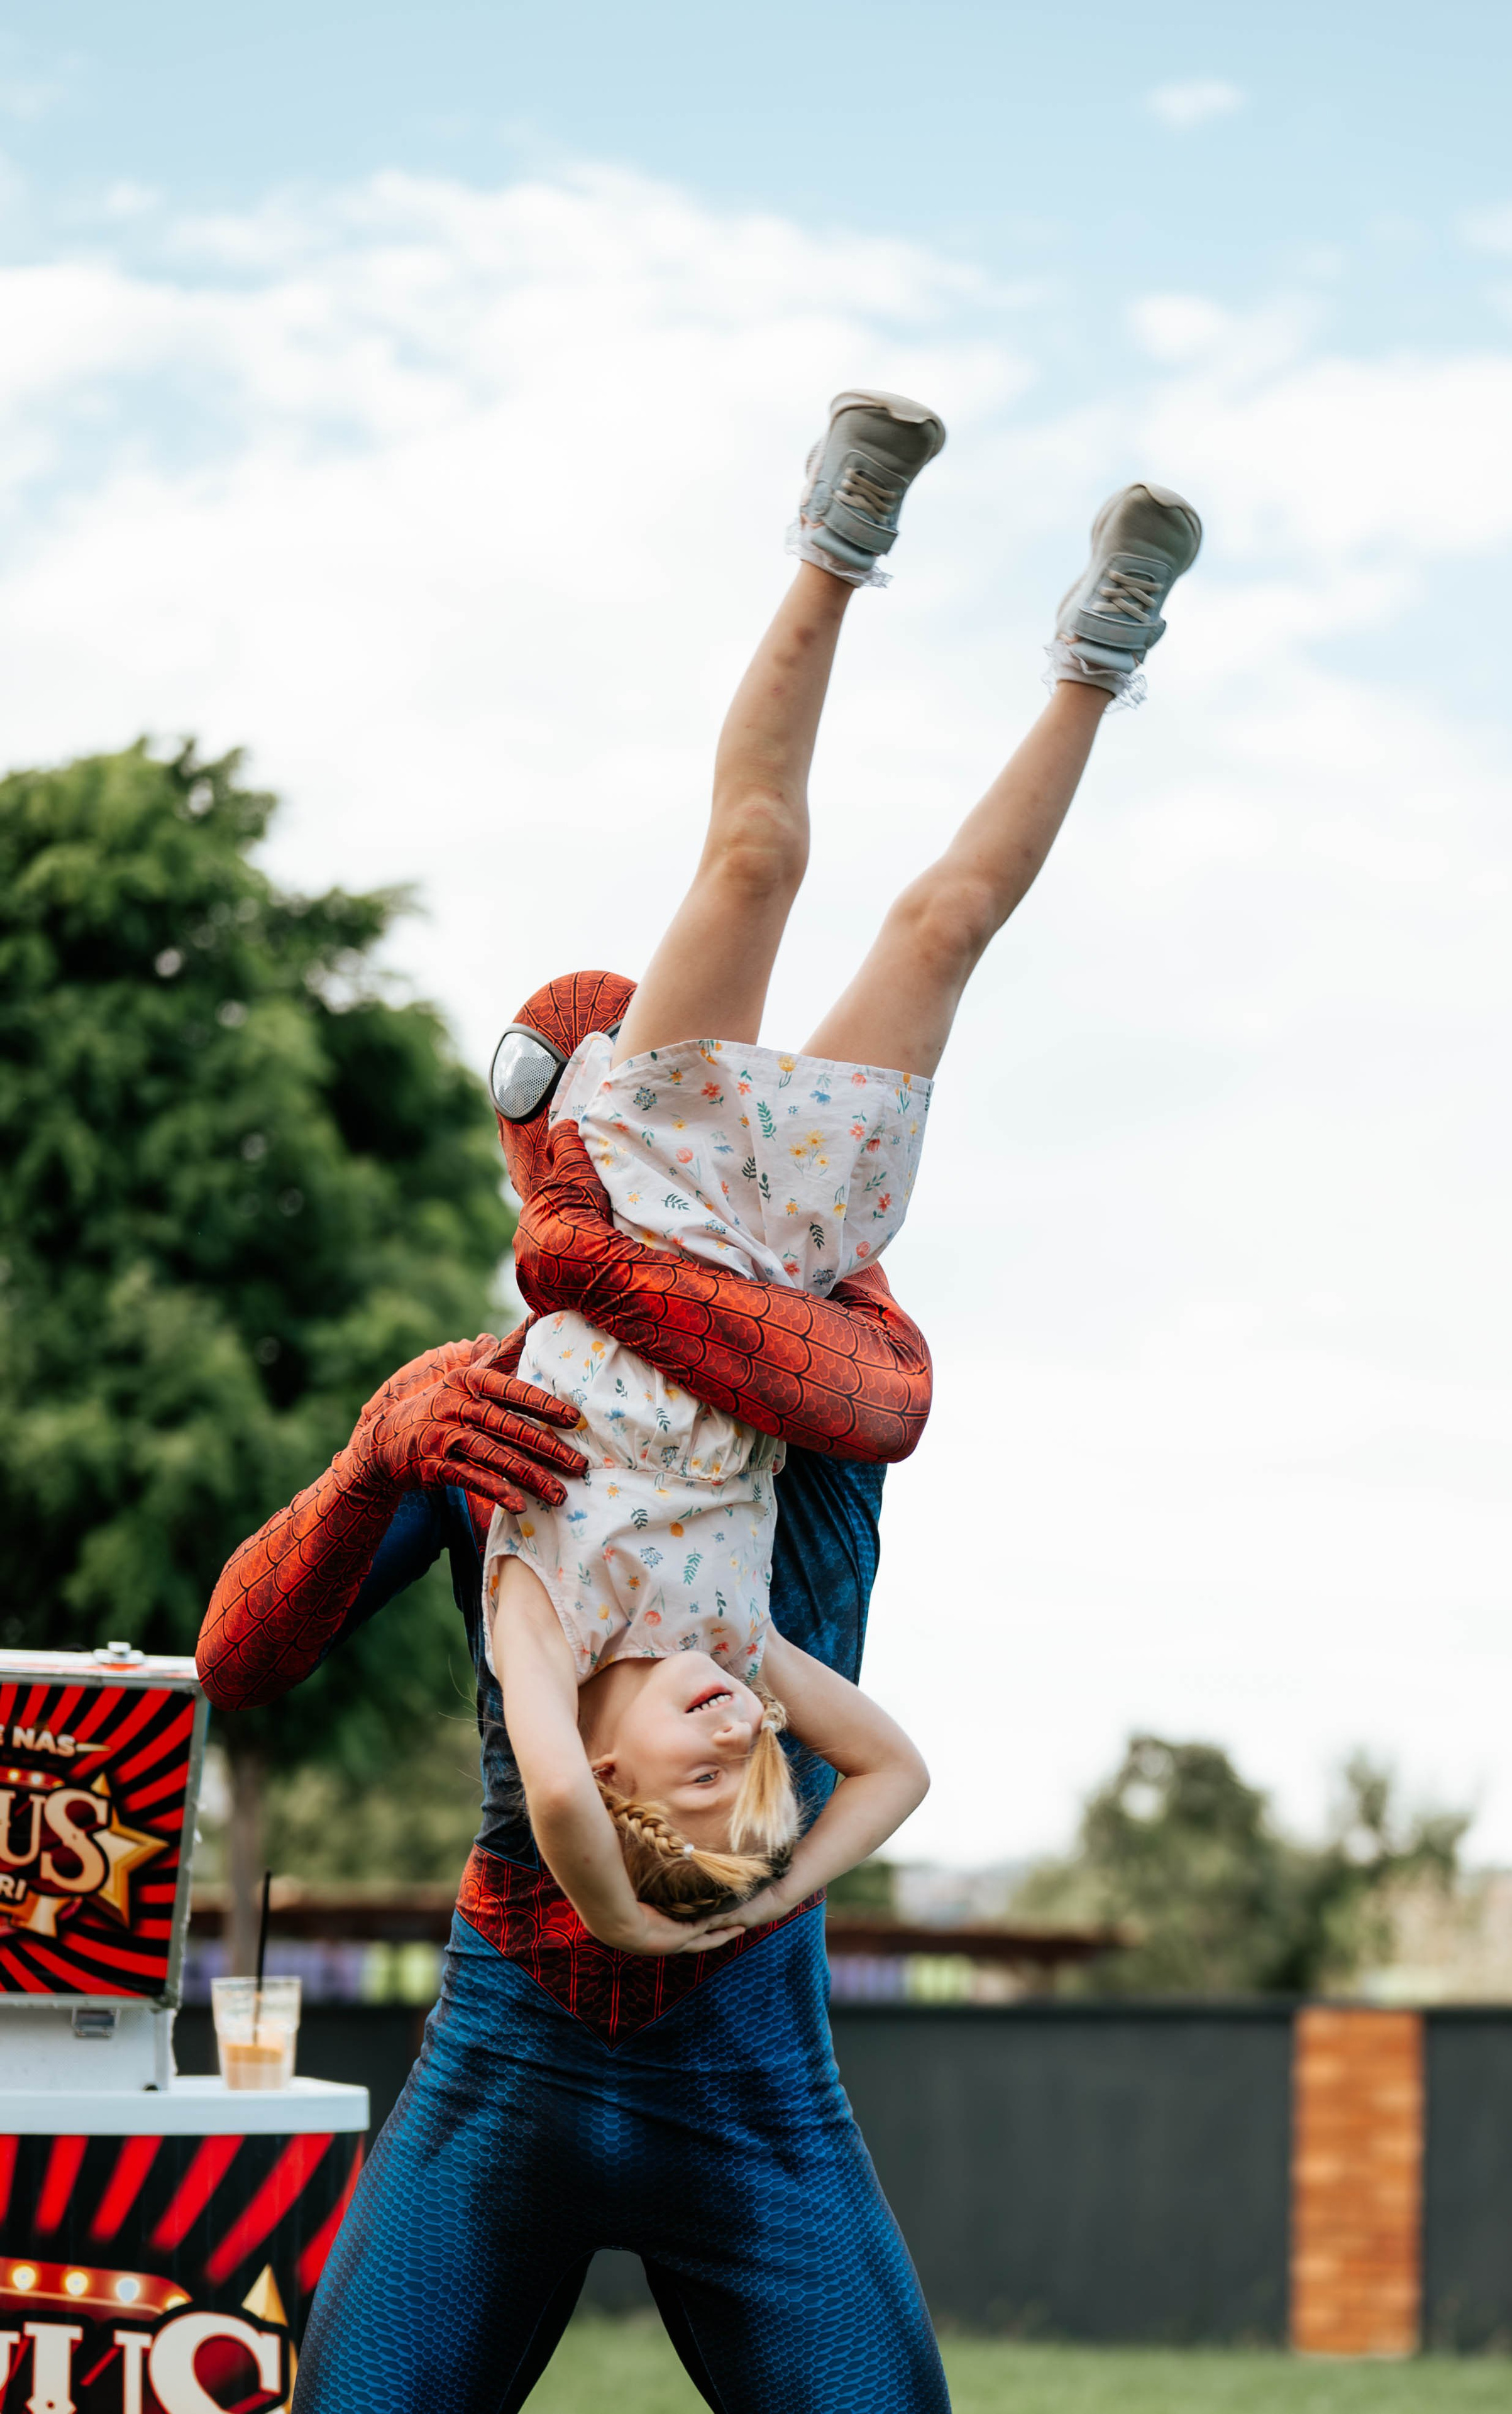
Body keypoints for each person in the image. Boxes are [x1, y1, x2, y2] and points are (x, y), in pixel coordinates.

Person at [197, 390, 1200, 2413]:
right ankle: (1055, 638)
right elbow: (241, 1655)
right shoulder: (594, 1485)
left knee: (770, 864)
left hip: (745, 2076)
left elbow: (882, 1401)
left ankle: (912, 574)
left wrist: (578, 1285)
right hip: (517, 2043)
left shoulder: (630, 1415)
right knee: (888, 909)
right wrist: (388, 1441)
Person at [482, 393, 1201, 1970]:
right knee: (940, 929)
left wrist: (650, 1926)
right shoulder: (740, 1647)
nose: (741, 1727)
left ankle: (835, 535)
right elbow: (895, 1771)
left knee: (752, 859)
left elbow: (544, 1793)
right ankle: (1103, 650)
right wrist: (767, 1891)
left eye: (701, 1769)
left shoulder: (536, 1621)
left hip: (657, 1204)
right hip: (783, 1268)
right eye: (754, 1761)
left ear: (613, 1784)